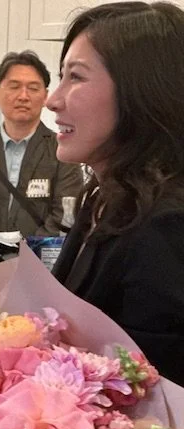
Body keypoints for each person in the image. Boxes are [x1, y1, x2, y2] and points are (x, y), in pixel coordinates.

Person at [49, 2, 184, 391]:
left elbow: (152, 393)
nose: (53, 100)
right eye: (61, 77)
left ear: (139, 93)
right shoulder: (103, 198)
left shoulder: (166, 224)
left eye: (76, 77)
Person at [0, 50, 83, 237]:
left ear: (45, 97)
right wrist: (1, 248)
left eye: (33, 88)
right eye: (14, 86)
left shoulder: (64, 153)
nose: (23, 96)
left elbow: (65, 216)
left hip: (44, 254)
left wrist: (27, 251)